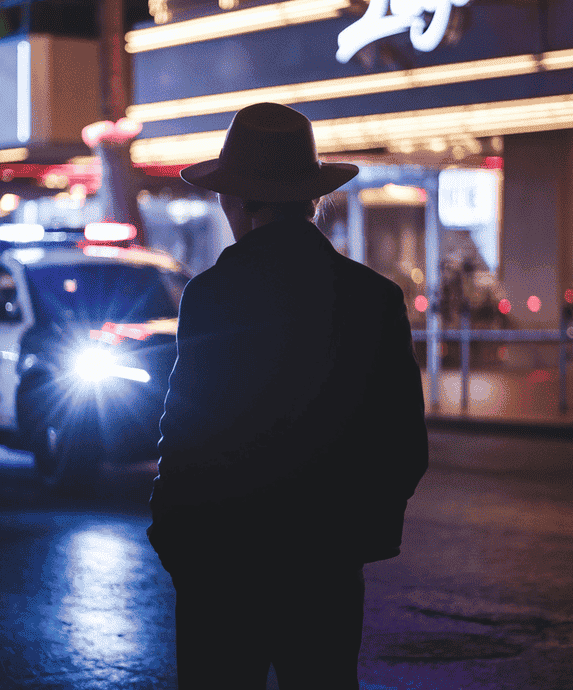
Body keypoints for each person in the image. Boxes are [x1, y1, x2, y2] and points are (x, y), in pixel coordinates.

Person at [148, 102, 428, 689]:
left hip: (221, 569)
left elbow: (185, 438)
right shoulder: (374, 300)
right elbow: (404, 446)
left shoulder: (212, 296)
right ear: (313, 200)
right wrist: (348, 535)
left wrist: (177, 543)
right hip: (325, 571)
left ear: (241, 202)